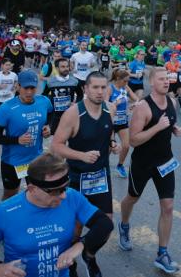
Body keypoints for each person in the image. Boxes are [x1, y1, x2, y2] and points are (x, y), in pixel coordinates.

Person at [0, 153, 113, 277]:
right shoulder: (5, 211)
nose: (63, 196)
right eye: (56, 190)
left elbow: (104, 224)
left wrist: (80, 246)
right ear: (32, 189)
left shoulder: (72, 197)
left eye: (65, 187)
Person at [51, 71, 119, 277]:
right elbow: (56, 146)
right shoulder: (73, 113)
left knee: (105, 225)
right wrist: (81, 156)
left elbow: (107, 132)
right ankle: (70, 263)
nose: (100, 92)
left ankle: (89, 253)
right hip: (77, 177)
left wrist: (112, 143)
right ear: (85, 89)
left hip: (101, 177)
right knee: (76, 227)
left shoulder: (111, 109)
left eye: (103, 87)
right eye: (95, 87)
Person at [117, 67, 181, 274]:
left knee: (168, 206)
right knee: (132, 197)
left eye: (168, 79)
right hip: (143, 163)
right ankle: (124, 225)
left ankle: (162, 253)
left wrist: (173, 128)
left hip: (165, 162)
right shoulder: (143, 107)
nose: (166, 82)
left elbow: (169, 123)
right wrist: (157, 127)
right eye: (162, 79)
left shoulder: (172, 102)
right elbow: (134, 140)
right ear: (152, 83)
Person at [0, 70, 53, 200]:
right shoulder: (6, 108)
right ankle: (6, 219)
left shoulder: (44, 102)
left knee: (37, 195)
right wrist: (17, 140)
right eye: (25, 88)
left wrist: (49, 127)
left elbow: (52, 115)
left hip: (35, 159)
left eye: (32, 88)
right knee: (10, 195)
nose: (29, 92)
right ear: (18, 86)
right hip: (12, 162)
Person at [109, 69, 139, 179]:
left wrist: (134, 104)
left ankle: (120, 165)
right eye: (125, 81)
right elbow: (104, 105)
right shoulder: (110, 89)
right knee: (109, 148)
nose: (127, 83)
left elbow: (136, 98)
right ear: (118, 79)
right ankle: (103, 166)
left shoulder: (125, 88)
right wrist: (115, 103)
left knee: (126, 146)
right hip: (111, 122)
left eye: (128, 81)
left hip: (122, 122)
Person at [42, 58, 79, 134]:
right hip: (54, 115)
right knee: (55, 137)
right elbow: (44, 95)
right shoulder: (50, 82)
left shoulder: (74, 81)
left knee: (69, 136)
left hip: (69, 115)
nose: (66, 69)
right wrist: (48, 105)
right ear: (57, 68)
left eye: (67, 66)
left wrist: (76, 103)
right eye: (62, 67)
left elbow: (81, 94)